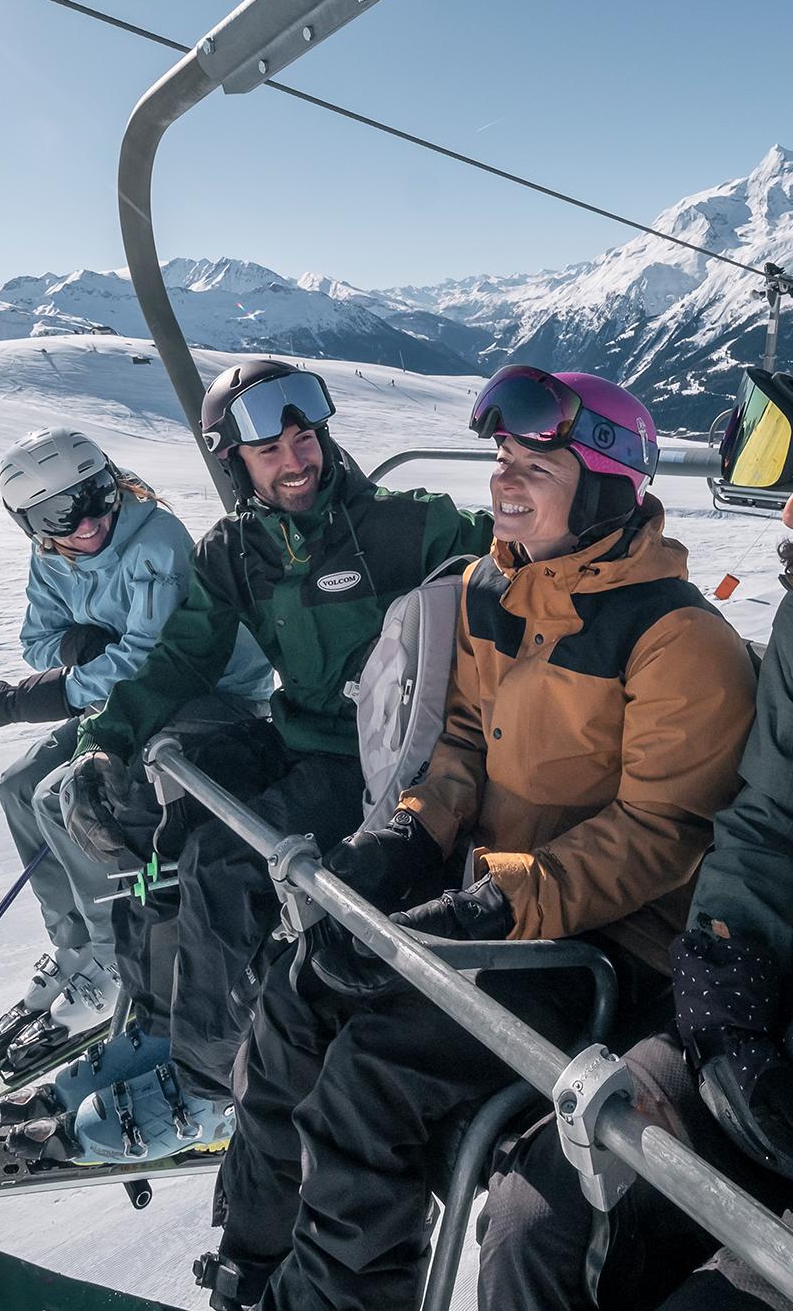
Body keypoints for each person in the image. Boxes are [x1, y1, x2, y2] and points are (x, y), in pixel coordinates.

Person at [200, 365, 757, 1311]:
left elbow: (658, 836)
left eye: (534, 465)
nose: (502, 483)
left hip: (600, 947)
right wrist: (408, 840)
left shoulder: (677, 641)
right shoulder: (490, 589)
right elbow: (458, 744)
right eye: (500, 457)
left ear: (608, 483)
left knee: (372, 1078)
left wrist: (495, 900)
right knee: (301, 988)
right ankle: (251, 1264)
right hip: (493, 906)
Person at [10, 359, 494, 1166]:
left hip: (376, 758)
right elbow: (180, 659)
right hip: (295, 730)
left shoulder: (408, 525)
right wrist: (108, 743)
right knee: (150, 806)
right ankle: (165, 1020)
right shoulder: (236, 549)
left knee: (230, 854)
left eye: (303, 437)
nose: (295, 460)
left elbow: (523, 567)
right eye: (268, 450)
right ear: (236, 461)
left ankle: (207, 1086)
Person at [468, 369, 793, 1311]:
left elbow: (657, 829)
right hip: (763, 1017)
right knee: (537, 1225)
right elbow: (766, 827)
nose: (783, 522)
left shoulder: (677, 636)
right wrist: (727, 979)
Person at [0, 426, 271, 1070]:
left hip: (209, 693)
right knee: (19, 782)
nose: (88, 522)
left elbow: (146, 659)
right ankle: (77, 946)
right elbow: (38, 639)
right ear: (31, 524)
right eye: (62, 513)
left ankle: (117, 956)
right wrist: (80, 651)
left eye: (98, 495)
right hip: (126, 699)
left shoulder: (154, 540)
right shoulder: (53, 556)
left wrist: (85, 661)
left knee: (68, 795)